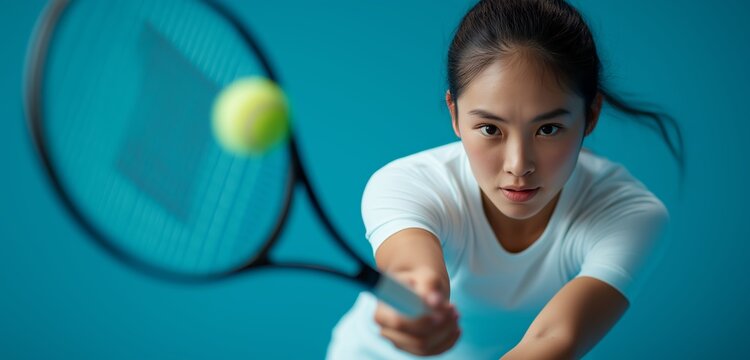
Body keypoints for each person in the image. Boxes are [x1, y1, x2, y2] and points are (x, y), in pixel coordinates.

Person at [326, 0, 684, 358]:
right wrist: (414, 296)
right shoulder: (405, 183)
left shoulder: (630, 213)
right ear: (454, 113)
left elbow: (554, 339)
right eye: (489, 128)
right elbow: (411, 267)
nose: (518, 165)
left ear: (590, 116)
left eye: (548, 128)